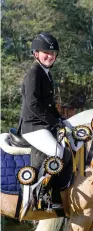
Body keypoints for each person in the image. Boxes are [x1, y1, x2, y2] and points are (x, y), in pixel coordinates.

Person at [19, 33, 64, 209]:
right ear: (36, 53)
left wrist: (62, 120)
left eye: (53, 54)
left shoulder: (46, 74)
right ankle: (42, 193)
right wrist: (53, 122)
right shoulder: (34, 73)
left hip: (42, 124)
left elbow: (50, 105)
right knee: (56, 151)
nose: (50, 56)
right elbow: (33, 104)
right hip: (32, 126)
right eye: (46, 52)